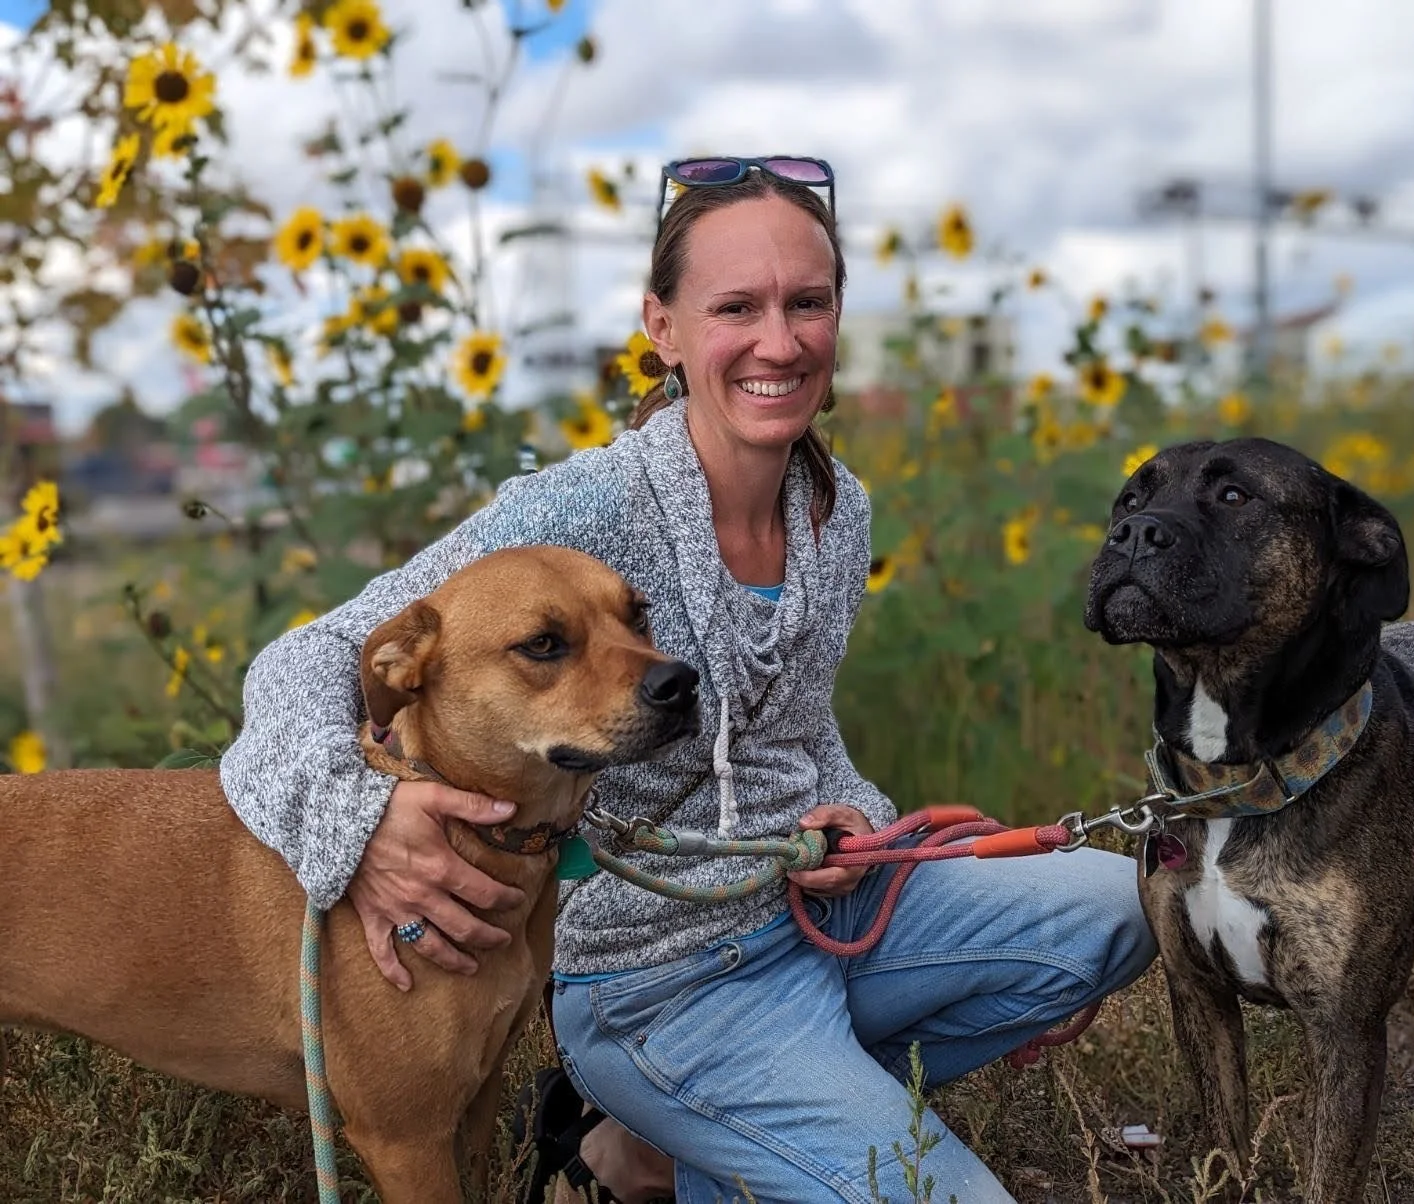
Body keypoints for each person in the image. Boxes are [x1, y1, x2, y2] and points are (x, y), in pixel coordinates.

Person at [220, 155, 1156, 1204]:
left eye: (808, 303)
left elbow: (794, 729)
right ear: (662, 326)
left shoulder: (834, 508)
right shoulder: (584, 512)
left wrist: (849, 812)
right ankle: (699, 1116)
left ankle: (674, 1148)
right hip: (660, 980)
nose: (779, 341)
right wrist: (360, 821)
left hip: (810, 918)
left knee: (1123, 905)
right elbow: (304, 660)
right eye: (736, 307)